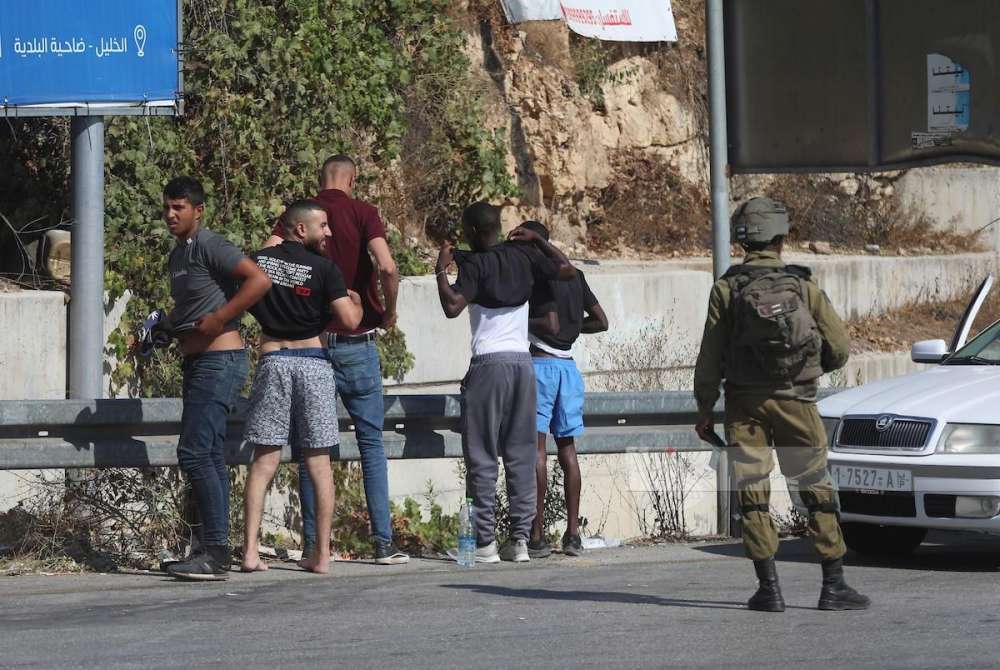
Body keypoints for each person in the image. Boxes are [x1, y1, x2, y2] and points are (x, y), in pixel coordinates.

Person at [693, 196, 870, 612]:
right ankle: (833, 586)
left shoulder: (726, 289)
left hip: (744, 405)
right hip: (797, 402)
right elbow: (840, 349)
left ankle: (768, 590)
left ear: (742, 239)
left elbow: (709, 358)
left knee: (753, 491)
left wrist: (704, 409)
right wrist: (807, 371)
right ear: (780, 236)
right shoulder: (803, 286)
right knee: (815, 486)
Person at [265, 155, 407, 564]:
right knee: (371, 443)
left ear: (320, 178)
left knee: (313, 448)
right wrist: (389, 311)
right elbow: (387, 266)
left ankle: (315, 545)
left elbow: (266, 258)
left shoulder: (303, 217)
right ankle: (383, 543)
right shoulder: (363, 213)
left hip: (313, 345)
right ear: (352, 179)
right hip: (358, 343)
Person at [436, 203, 576, 562]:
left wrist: (441, 271)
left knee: (482, 456)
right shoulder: (523, 256)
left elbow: (452, 307)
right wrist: (538, 242)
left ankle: (484, 544)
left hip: (489, 366)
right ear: (499, 227)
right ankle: (519, 541)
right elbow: (567, 270)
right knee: (521, 455)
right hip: (523, 366)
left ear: (471, 231)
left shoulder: (474, 265)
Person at [242, 200, 363, 575]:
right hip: (312, 364)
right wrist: (358, 303)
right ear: (301, 229)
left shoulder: (259, 261)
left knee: (264, 460)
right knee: (318, 463)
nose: (329, 232)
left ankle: (250, 552)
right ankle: (321, 555)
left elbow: (243, 288)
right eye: (323, 226)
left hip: (274, 360)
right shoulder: (326, 268)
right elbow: (349, 320)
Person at [162, 176, 272, 581]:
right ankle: (213, 549)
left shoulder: (211, 244)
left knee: (194, 453)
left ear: (198, 210)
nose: (170, 214)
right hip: (197, 362)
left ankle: (215, 553)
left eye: (179, 207)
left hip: (219, 361)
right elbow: (191, 309)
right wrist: (164, 329)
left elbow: (259, 280)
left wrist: (221, 318)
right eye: (167, 207)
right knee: (207, 454)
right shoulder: (178, 255)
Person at [516, 221, 608, 559]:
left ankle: (537, 535)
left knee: (537, 451)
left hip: (540, 366)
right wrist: (573, 328)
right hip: (568, 369)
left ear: (534, 245)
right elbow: (601, 321)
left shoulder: (536, 278)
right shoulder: (577, 277)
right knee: (568, 450)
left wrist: (518, 325)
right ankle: (572, 535)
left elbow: (543, 320)